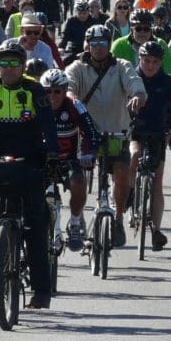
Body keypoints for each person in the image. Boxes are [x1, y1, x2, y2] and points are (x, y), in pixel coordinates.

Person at [0, 40, 59, 309]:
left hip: (31, 154)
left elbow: (49, 126)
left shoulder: (34, 89)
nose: (9, 68)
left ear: (22, 65)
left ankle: (41, 291)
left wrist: (52, 155)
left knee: (35, 224)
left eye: (15, 62)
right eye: (4, 62)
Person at [65, 24, 147, 248]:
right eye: (94, 44)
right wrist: (72, 98)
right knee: (78, 179)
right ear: (87, 45)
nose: (98, 48)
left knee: (121, 172)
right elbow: (68, 87)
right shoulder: (77, 67)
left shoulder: (121, 66)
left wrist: (138, 96)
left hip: (115, 132)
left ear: (109, 45)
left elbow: (135, 83)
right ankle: (77, 218)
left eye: (103, 43)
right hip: (85, 135)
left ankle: (118, 219)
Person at [130, 41, 171, 252]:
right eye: (146, 61)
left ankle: (156, 230)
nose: (150, 66)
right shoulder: (131, 77)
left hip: (158, 132)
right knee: (134, 156)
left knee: (157, 182)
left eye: (155, 62)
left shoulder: (168, 81)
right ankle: (128, 193)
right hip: (133, 130)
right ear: (140, 59)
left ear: (161, 62)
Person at [40, 68, 100, 252]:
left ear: (65, 90)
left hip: (69, 160)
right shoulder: (34, 105)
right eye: (47, 91)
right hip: (41, 161)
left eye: (57, 91)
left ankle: (74, 223)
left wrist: (88, 154)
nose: (52, 96)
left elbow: (91, 133)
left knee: (79, 180)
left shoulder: (75, 105)